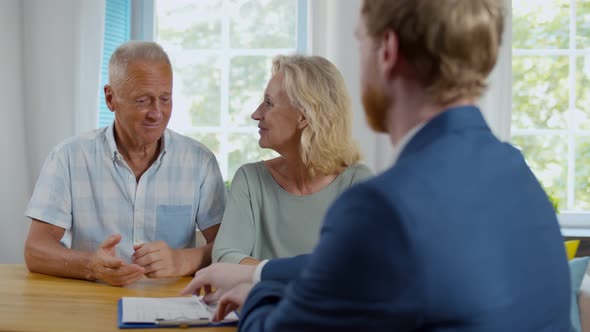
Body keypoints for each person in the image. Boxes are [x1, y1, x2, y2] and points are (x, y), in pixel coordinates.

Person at [182, 0, 571, 330]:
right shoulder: (516, 173)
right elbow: (346, 270)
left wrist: (258, 292)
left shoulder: (383, 207)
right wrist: (261, 272)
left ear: (387, 50)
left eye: (359, 44)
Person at [24, 41, 226, 287]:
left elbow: (228, 247)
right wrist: (91, 266)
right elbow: (35, 250)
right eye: (143, 100)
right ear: (110, 98)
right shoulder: (68, 157)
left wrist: (184, 260)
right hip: (90, 305)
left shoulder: (199, 161)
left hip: (172, 307)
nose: (156, 113)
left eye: (165, 99)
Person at [212, 55, 372, 266]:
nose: (256, 114)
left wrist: (265, 274)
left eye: (269, 103)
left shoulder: (356, 184)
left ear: (304, 117)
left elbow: (363, 269)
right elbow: (225, 257)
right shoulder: (250, 180)